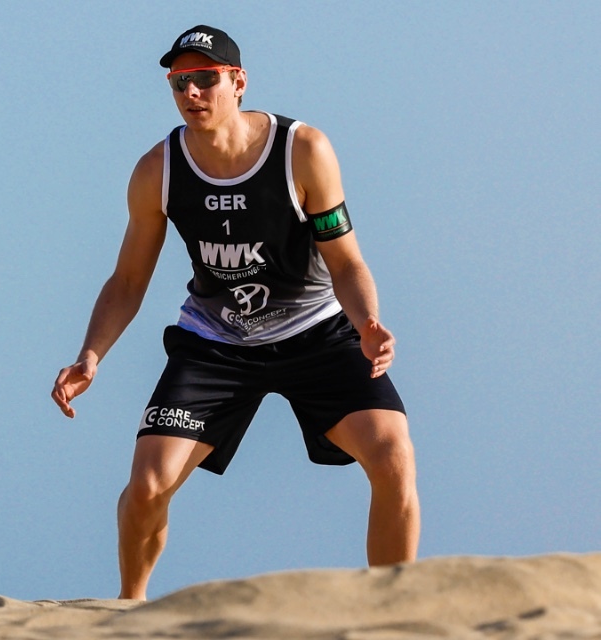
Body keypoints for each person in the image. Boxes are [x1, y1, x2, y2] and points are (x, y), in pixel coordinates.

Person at [51, 26, 418, 599]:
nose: (191, 92)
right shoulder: (159, 170)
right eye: (179, 83)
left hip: (315, 333)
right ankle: (130, 611)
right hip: (214, 345)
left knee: (393, 451)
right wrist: (90, 356)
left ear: (238, 82)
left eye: (205, 78)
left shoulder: (303, 150)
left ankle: (395, 611)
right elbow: (127, 281)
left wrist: (369, 321)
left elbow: (345, 262)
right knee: (147, 485)